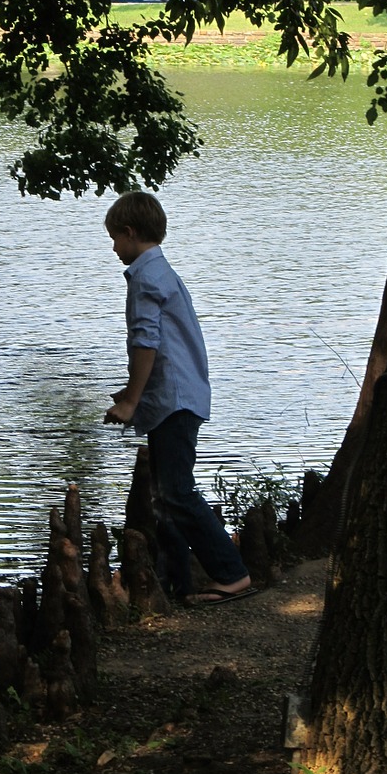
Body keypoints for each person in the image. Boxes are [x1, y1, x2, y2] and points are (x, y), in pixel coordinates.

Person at [103, 191, 254, 605]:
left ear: (130, 233)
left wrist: (131, 400)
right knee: (164, 497)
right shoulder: (162, 273)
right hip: (178, 395)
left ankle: (231, 574)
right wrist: (134, 393)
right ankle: (175, 584)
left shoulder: (146, 278)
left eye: (114, 238)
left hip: (175, 399)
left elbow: (146, 344)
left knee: (176, 493)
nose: (114, 247)